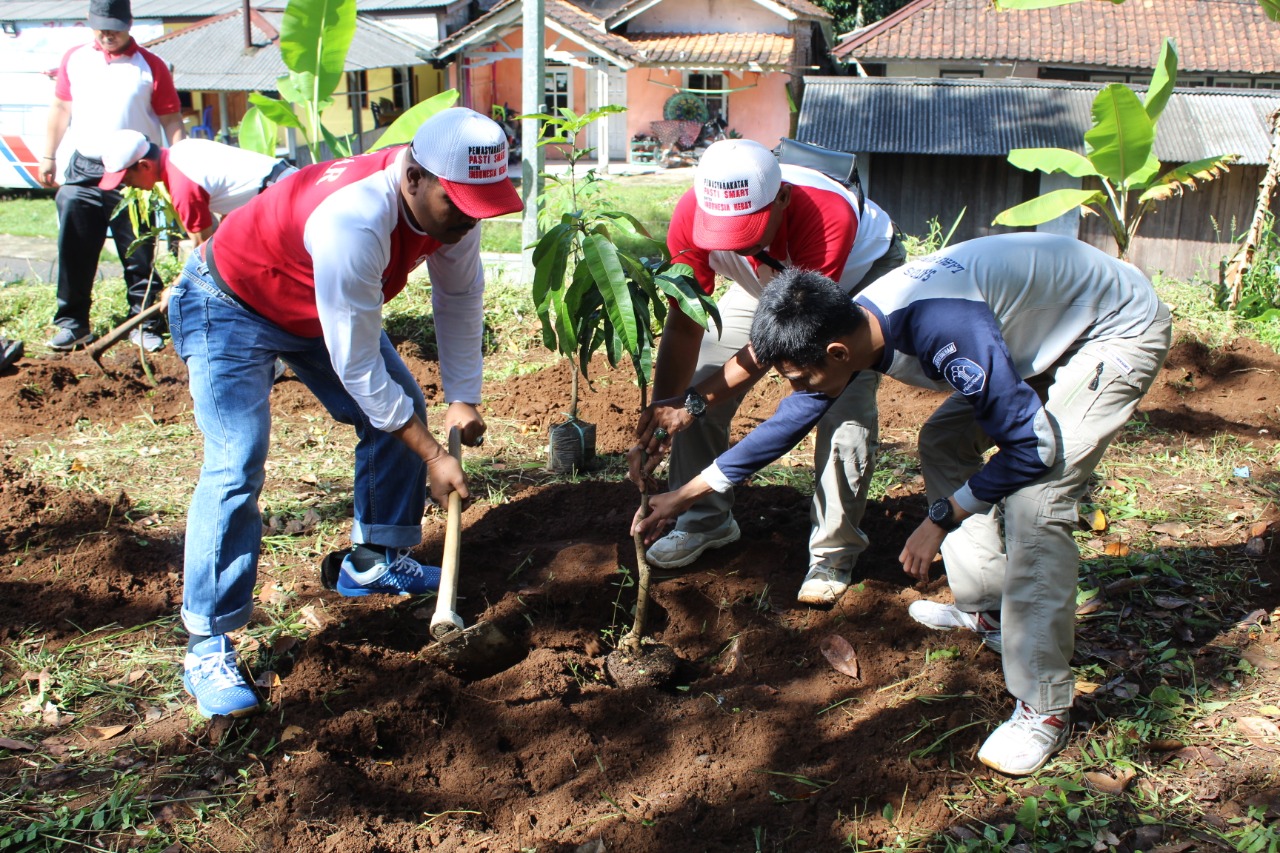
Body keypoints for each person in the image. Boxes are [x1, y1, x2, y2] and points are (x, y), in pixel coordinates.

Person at [634, 233, 1172, 776]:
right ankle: (986, 608)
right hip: (1042, 325)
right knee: (944, 442)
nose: (797, 389)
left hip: (1112, 328)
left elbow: (1031, 449)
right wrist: (683, 496)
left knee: (1039, 501)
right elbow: (789, 422)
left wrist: (941, 518)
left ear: (837, 354)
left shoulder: (946, 333)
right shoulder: (850, 326)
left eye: (799, 377)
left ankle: (1045, 707)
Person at [170, 107, 522, 718]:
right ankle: (208, 642)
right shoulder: (355, 220)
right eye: (458, 205)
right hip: (228, 303)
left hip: (313, 305)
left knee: (402, 407)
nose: (468, 221)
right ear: (414, 177)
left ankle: (370, 561)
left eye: (478, 207)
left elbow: (460, 297)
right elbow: (359, 368)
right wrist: (435, 455)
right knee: (236, 463)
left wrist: (463, 395)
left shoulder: (454, 213)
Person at [632, 138, 904, 605]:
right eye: (724, 233)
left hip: (848, 284)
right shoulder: (691, 211)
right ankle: (707, 521)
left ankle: (833, 553)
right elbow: (684, 324)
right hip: (767, 284)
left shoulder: (825, 217)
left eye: (747, 231)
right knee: (699, 384)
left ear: (781, 199)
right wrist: (666, 410)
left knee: (842, 409)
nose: (735, 243)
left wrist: (694, 403)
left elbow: (785, 339)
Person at [39, 0, 185, 353]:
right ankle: (73, 323)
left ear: (130, 23)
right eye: (101, 26)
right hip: (85, 166)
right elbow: (60, 107)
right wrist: (48, 155)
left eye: (115, 27)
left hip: (135, 171)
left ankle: (145, 320)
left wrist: (181, 164)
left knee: (138, 250)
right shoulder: (75, 58)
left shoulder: (150, 66)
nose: (108, 34)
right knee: (74, 243)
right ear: (90, 23)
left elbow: (171, 120)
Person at [98, 129, 298, 247]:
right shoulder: (183, 150)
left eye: (127, 178)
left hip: (283, 200)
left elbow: (203, 251)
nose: (128, 185)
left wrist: (176, 286)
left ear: (144, 165)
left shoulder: (182, 185)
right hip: (287, 183)